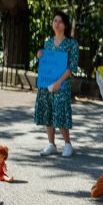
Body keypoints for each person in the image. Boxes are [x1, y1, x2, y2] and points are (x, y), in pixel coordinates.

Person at [34, 11, 79, 157]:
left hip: (62, 85)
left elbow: (72, 66)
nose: (57, 23)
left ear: (65, 25)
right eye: (55, 21)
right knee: (48, 111)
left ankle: (67, 144)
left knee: (61, 112)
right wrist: (40, 55)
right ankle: (51, 144)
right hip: (46, 84)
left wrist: (59, 82)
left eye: (60, 21)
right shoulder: (48, 42)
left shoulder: (71, 44)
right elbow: (46, 63)